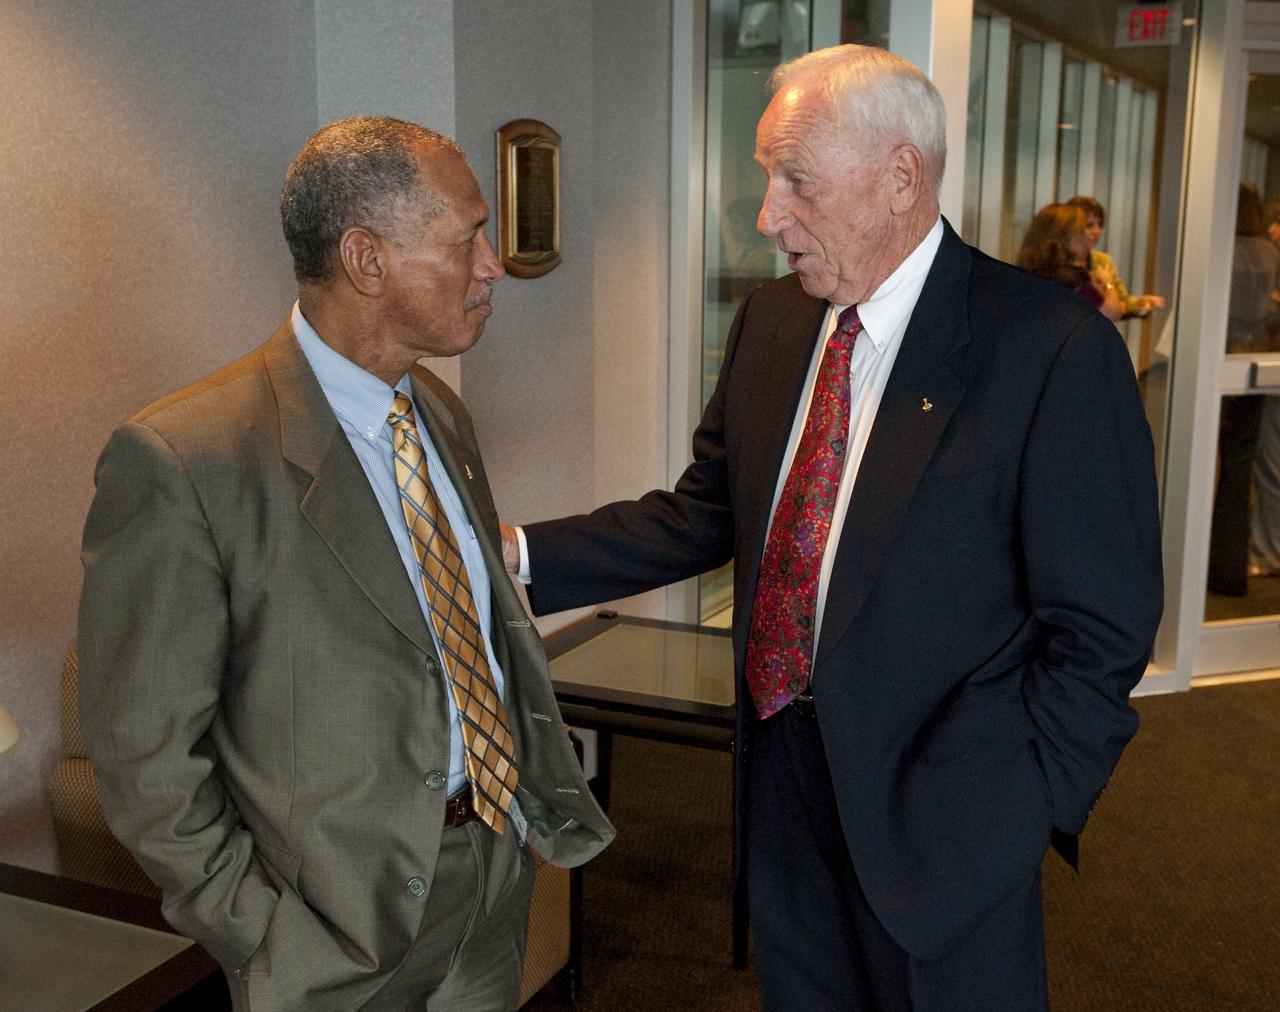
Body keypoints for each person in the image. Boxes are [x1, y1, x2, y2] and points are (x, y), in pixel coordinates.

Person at [502, 45, 1162, 1011]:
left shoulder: (1047, 348)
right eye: (768, 179)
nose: (768, 216)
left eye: (795, 181)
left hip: (951, 816)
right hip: (782, 781)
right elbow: (709, 513)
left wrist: (1015, 812)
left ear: (902, 177)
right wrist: (509, 556)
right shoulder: (773, 322)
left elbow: (1102, 627)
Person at [77, 116, 613, 1011]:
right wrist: (262, 933)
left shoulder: (438, 414)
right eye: (468, 236)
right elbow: (143, 755)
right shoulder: (185, 458)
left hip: (487, 881)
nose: (492, 266)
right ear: (367, 261)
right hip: (328, 934)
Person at [1208, 182, 1280, 594]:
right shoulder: (1267, 253)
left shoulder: (1224, 252)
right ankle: (1228, 569)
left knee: (1201, 468)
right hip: (1252, 363)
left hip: (1219, 362)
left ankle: (1194, 561)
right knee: (1239, 471)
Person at [1016, 202, 1124, 320]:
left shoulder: (1024, 271)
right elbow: (1112, 313)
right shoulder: (1070, 277)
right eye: (1080, 230)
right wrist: (1108, 284)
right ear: (1064, 236)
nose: (1084, 237)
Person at [1068, 194, 1166, 319]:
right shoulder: (1060, 264)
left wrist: (1142, 302)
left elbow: (1122, 300)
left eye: (1100, 224)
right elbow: (1112, 310)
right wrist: (1108, 286)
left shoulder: (1103, 261)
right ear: (1071, 227)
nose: (1097, 231)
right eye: (1089, 225)